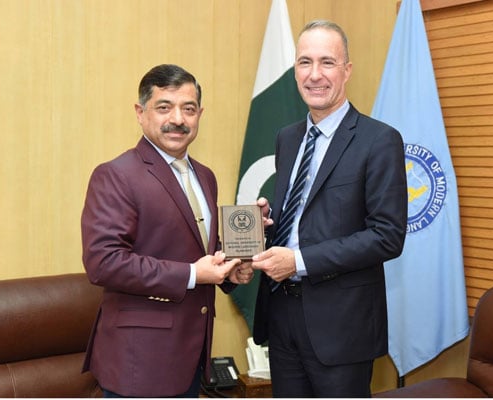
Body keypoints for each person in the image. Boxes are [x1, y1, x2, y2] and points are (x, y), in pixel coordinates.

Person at [250, 20, 408, 397]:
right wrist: (269, 226)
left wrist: (299, 261)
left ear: (347, 70)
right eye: (305, 63)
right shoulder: (287, 138)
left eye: (327, 63)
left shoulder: (379, 140)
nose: (314, 75)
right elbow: (305, 220)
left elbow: (387, 236)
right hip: (282, 314)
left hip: (342, 326)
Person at [80, 64, 254, 398]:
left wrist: (232, 269)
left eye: (188, 109)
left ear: (200, 114)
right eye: (164, 107)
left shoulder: (205, 176)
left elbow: (198, 249)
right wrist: (192, 274)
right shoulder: (116, 175)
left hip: (191, 355)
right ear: (140, 113)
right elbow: (104, 262)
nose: (178, 119)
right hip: (141, 361)